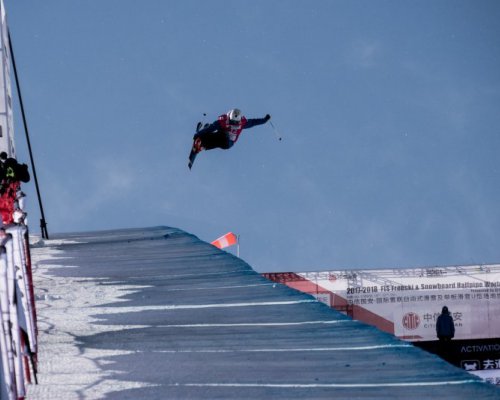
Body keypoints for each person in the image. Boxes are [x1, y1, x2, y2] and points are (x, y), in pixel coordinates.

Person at [193, 108, 271, 152]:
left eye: (236, 122)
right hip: (221, 134)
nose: (234, 123)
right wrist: (199, 134)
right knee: (216, 131)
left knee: (221, 136)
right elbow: (212, 127)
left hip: (228, 142)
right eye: (233, 121)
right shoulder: (224, 120)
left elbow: (253, 122)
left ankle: (203, 146)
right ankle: (202, 139)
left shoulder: (242, 123)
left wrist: (264, 120)